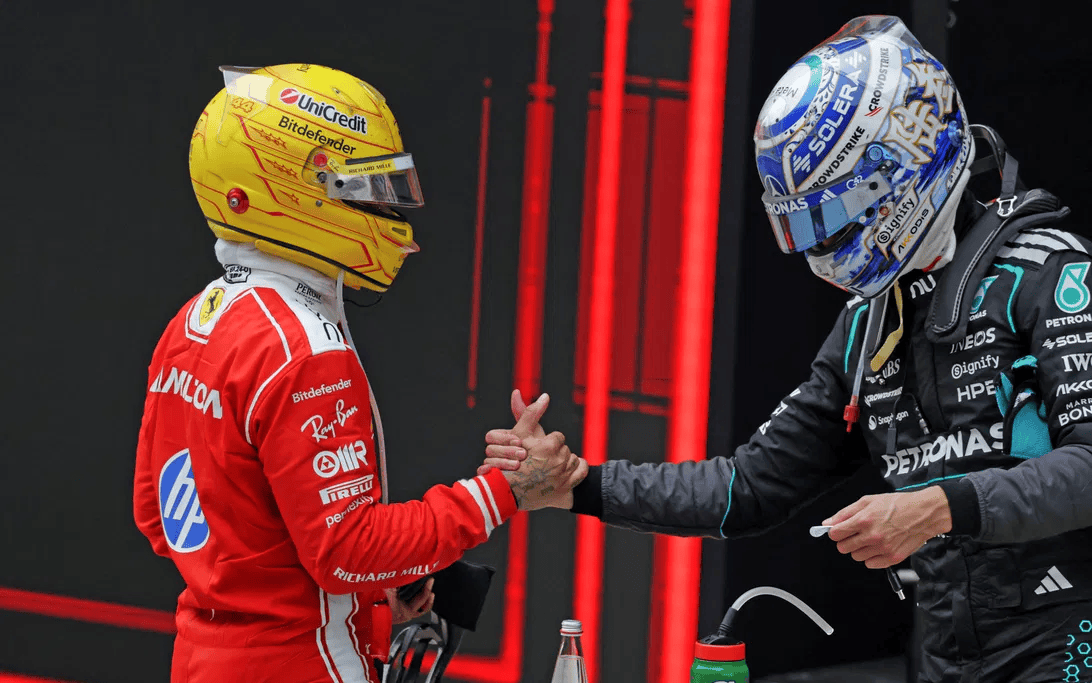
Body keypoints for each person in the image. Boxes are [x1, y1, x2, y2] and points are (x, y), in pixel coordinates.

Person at [483, 16, 1092, 682]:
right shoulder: (868, 325)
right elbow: (748, 487)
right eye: (807, 225)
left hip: (1069, 645)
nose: (822, 246)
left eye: (834, 217)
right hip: (947, 655)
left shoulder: (1052, 276)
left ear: (904, 166)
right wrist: (578, 484)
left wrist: (938, 506)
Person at [133, 63, 585, 683]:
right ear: (293, 190)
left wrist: (350, 599)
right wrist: (505, 490)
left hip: (200, 660)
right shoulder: (307, 349)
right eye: (364, 188)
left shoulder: (193, 320)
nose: (385, 207)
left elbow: (159, 518)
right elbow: (347, 551)